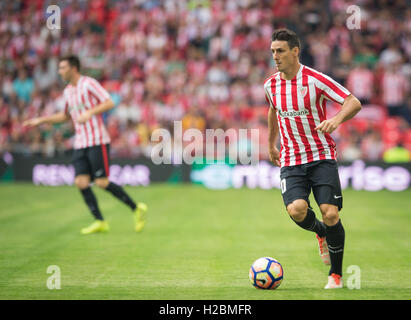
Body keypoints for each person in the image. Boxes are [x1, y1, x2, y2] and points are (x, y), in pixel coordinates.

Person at [264, 29, 361, 289]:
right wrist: (271, 144)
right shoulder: (271, 85)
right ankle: (320, 232)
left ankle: (336, 275)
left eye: (281, 51)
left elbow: (353, 102)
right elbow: (273, 111)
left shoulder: (315, 80)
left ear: (295, 51)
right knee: (296, 210)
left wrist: (336, 120)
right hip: (291, 158)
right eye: (273, 51)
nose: (275, 56)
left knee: (330, 213)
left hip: (321, 156)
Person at [23, 55, 148, 235]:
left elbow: (109, 102)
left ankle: (136, 208)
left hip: (97, 140)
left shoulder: (89, 84)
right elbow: (66, 116)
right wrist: (41, 120)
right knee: (81, 182)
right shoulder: (68, 91)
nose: (59, 72)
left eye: (62, 68)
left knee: (101, 182)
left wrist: (90, 112)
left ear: (73, 68)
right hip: (80, 142)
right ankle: (100, 221)